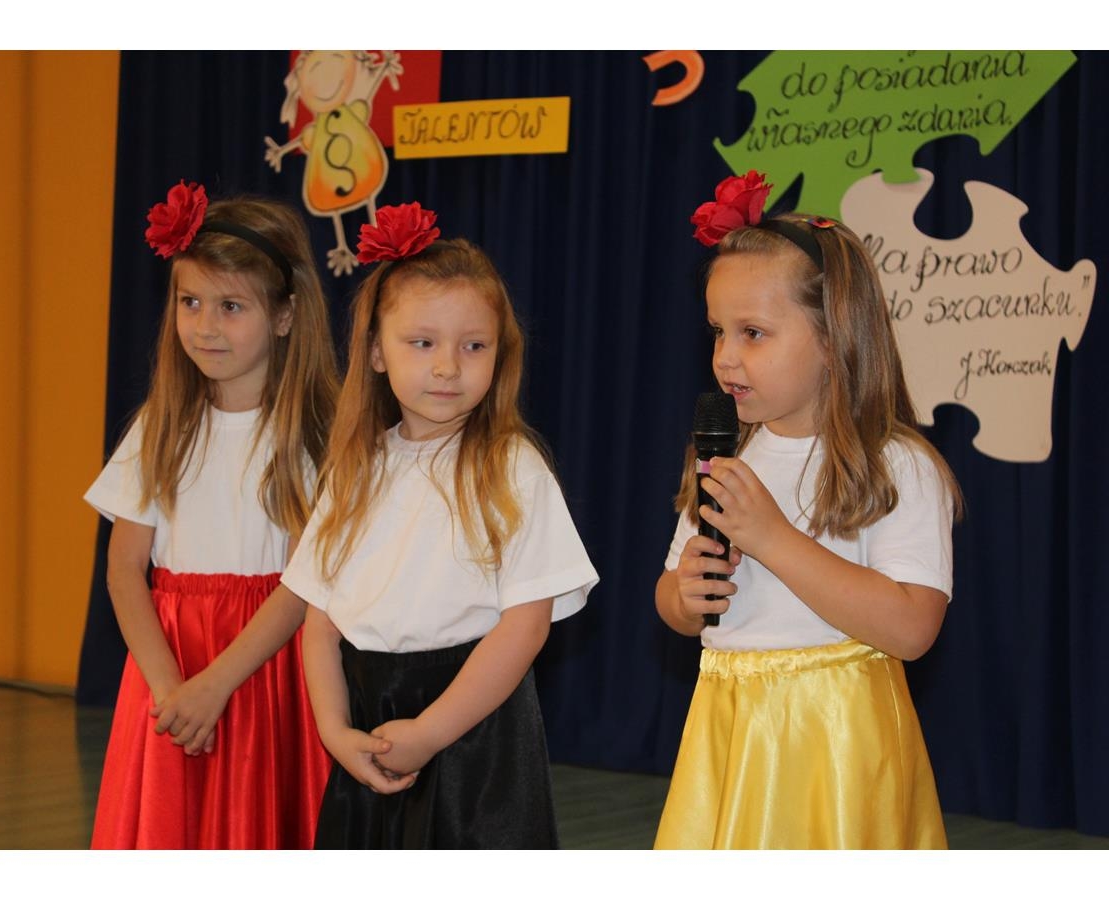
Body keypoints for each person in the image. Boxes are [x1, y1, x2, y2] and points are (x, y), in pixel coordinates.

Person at [653, 172, 961, 849]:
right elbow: (673, 597)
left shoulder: (894, 464)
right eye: (718, 332)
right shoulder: (726, 455)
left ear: (832, 338)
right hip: (728, 724)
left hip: (837, 739)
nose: (726, 358)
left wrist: (773, 538)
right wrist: (684, 596)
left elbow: (912, 629)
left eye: (753, 333)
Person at [277, 202, 598, 848]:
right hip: (370, 729)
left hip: (476, 737)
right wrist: (335, 732)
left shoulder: (513, 467)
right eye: (422, 343)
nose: (448, 366)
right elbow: (321, 624)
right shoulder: (355, 469)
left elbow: (526, 626)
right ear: (376, 351)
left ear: (500, 354)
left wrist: (429, 733)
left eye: (473, 346)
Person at [85, 181, 340, 849]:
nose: (204, 326)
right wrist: (170, 690)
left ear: (284, 316)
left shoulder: (312, 438)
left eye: (231, 307)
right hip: (167, 668)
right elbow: (123, 569)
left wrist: (217, 685)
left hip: (262, 671)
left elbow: (302, 585)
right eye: (190, 302)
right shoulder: (160, 426)